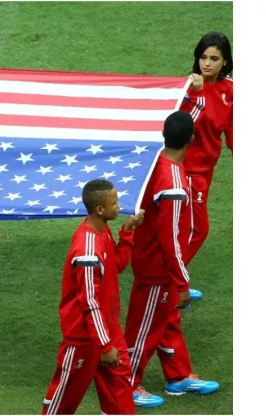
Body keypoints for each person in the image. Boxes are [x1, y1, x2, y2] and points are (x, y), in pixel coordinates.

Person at [124, 111, 220, 408]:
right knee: (143, 330)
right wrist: (181, 281)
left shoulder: (155, 161)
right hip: (157, 268)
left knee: (166, 319)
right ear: (192, 139)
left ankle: (177, 375)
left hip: (148, 258)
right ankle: (125, 385)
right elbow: (171, 240)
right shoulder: (175, 186)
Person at [40, 179, 145, 415]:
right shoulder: (87, 251)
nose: (119, 206)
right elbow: (89, 302)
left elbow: (116, 265)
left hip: (107, 328)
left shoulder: (102, 229)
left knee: (119, 389)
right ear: (100, 209)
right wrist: (105, 346)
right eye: (115, 202)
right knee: (63, 398)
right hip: (84, 338)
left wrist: (127, 232)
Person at [177, 31, 233, 301]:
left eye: (214, 58)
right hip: (186, 170)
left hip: (206, 171)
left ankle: (174, 279)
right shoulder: (186, 89)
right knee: (197, 229)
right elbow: (183, 129)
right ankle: (174, 282)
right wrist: (197, 94)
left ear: (225, 62)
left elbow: (233, 130)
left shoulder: (230, 91)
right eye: (202, 57)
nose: (206, 64)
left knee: (184, 228)